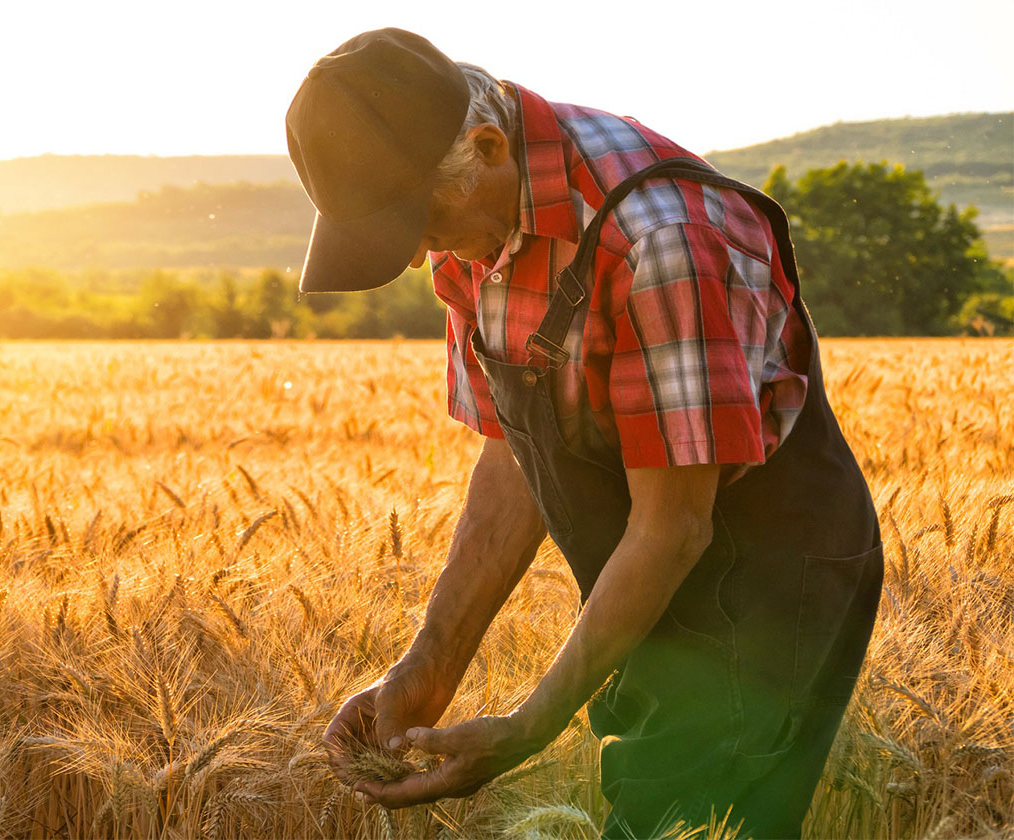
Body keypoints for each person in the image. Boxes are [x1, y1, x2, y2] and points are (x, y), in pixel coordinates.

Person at [285, 28, 883, 839]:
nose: (422, 253)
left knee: (669, 820)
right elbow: (513, 459)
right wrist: (428, 667)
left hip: (761, 582)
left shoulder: (660, 240)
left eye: (420, 222)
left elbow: (674, 526)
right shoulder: (476, 226)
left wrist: (530, 729)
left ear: (488, 147)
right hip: (641, 575)